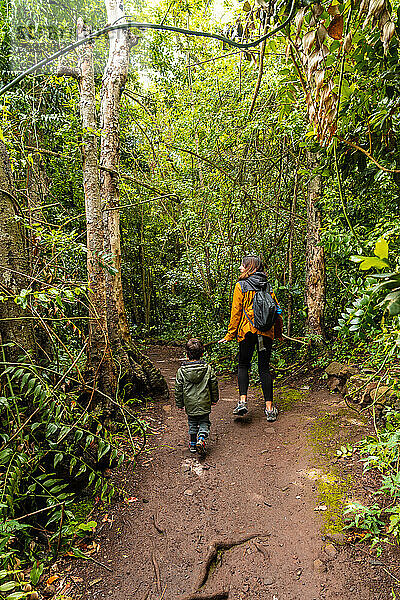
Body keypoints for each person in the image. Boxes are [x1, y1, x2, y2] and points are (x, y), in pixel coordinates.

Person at [219, 255, 282, 421]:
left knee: (243, 365)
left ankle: (242, 402)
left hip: (246, 332)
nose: (240, 268)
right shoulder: (268, 286)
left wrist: (230, 334)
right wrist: (278, 333)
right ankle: (269, 408)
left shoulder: (241, 286)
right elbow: (276, 311)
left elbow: (236, 312)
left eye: (242, 265)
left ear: (250, 268)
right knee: (264, 369)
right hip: (266, 333)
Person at [175, 338, 219, 457]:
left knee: (192, 422)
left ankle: (193, 444)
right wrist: (215, 399)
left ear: (186, 354)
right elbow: (213, 384)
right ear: (202, 354)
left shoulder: (181, 371)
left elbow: (178, 388)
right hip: (204, 401)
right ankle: (201, 438)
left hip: (189, 403)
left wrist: (179, 403)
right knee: (204, 421)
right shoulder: (207, 369)